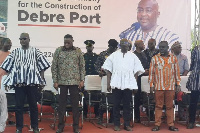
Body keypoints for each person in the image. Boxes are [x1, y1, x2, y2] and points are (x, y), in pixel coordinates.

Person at [0, 33, 51, 133]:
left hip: (32, 84)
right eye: (21, 39)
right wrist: (9, 81)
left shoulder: (35, 51)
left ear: (29, 39)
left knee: (33, 106)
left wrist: (41, 80)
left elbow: (43, 66)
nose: (22, 41)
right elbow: (7, 67)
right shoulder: (15, 52)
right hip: (19, 85)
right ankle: (19, 128)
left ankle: (35, 127)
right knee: (19, 107)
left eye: (24, 39)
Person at [102, 38, 144, 131]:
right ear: (120, 45)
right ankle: (116, 124)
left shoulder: (133, 56)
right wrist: (108, 83)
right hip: (116, 83)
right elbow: (108, 70)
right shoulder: (113, 55)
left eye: (126, 45)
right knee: (116, 105)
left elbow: (136, 72)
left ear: (129, 46)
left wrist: (135, 85)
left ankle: (126, 124)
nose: (124, 46)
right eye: (122, 45)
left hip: (128, 84)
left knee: (127, 105)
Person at [51, 34, 85, 133]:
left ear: (72, 41)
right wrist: (55, 80)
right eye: (65, 42)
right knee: (61, 106)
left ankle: (75, 127)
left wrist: (82, 80)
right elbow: (54, 66)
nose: (66, 44)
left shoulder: (78, 51)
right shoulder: (58, 50)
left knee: (75, 106)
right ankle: (60, 126)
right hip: (62, 82)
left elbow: (82, 66)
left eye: (68, 42)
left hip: (75, 82)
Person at [149, 41, 181, 131]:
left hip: (170, 87)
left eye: (163, 47)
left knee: (170, 106)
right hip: (159, 86)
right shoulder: (154, 58)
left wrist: (178, 84)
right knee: (158, 106)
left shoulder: (173, 58)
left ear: (168, 47)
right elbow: (151, 73)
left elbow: (176, 73)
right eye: (160, 47)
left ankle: (171, 124)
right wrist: (151, 85)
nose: (161, 49)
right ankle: (157, 124)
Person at [94, 39, 118, 123]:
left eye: (116, 47)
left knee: (114, 98)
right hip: (105, 78)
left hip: (115, 79)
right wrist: (99, 72)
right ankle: (100, 117)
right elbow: (96, 65)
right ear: (110, 46)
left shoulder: (117, 55)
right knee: (103, 98)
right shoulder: (103, 54)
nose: (115, 49)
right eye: (113, 47)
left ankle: (112, 118)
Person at [0, 38, 15, 125]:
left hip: (9, 81)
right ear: (3, 44)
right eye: (8, 43)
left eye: (11, 43)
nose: (10, 45)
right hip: (0, 80)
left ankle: (10, 118)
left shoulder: (12, 55)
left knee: (9, 100)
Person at [83, 40, 99, 118]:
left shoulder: (96, 57)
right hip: (85, 79)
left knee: (96, 95)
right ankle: (84, 113)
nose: (89, 48)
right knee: (84, 96)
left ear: (93, 47)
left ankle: (97, 113)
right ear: (86, 47)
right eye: (88, 46)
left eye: (91, 46)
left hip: (95, 80)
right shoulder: (83, 57)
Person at [133, 40, 149, 123]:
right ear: (137, 45)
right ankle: (137, 117)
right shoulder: (134, 55)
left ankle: (149, 115)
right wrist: (143, 72)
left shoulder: (143, 54)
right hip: (137, 79)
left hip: (145, 79)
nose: (144, 45)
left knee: (145, 97)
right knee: (137, 98)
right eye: (142, 44)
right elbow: (134, 68)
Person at [186, 46, 200, 129]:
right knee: (193, 102)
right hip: (196, 79)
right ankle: (191, 121)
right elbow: (193, 64)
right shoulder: (196, 49)